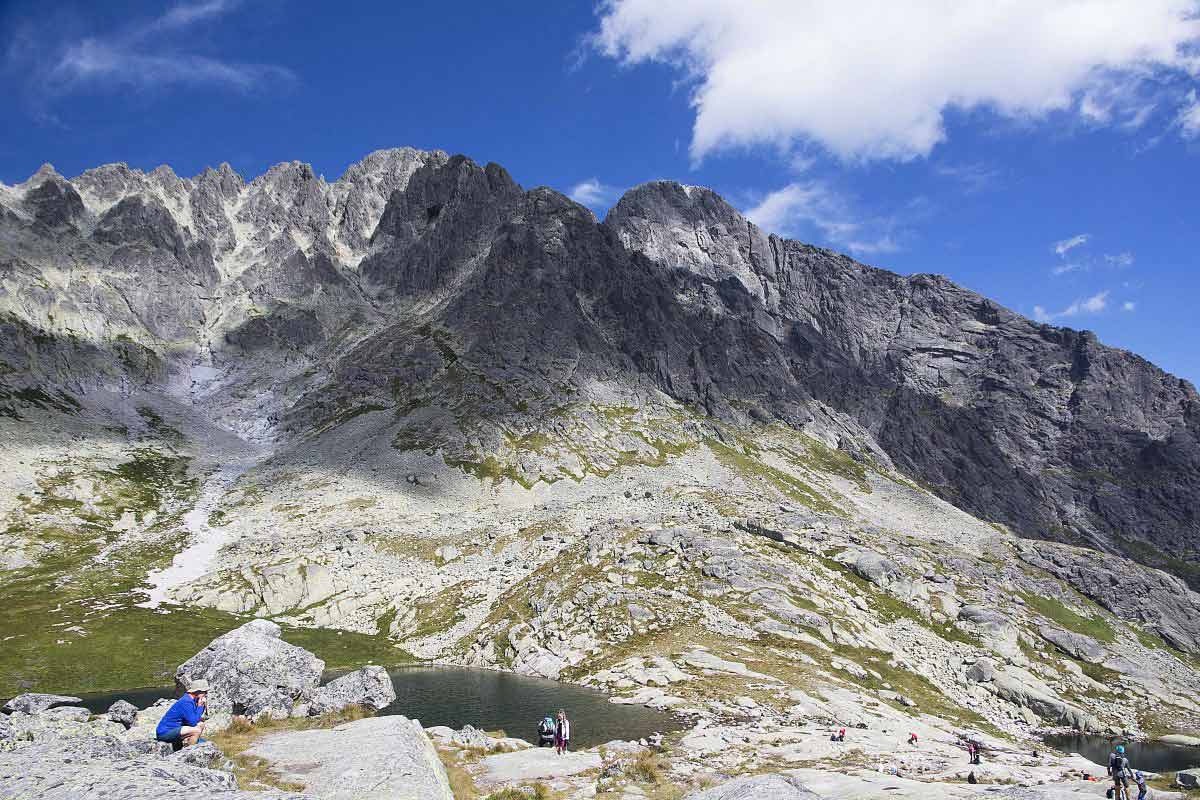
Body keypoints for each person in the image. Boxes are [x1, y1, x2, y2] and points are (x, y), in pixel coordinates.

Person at [156, 679, 209, 751]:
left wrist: (201, 705)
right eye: (205, 691)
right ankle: (189, 753)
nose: (206, 693)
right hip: (165, 732)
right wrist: (200, 705)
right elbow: (193, 722)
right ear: (198, 691)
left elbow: (196, 717)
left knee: (201, 725)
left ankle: (189, 743)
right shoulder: (186, 702)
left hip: (174, 729)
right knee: (196, 730)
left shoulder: (192, 700)